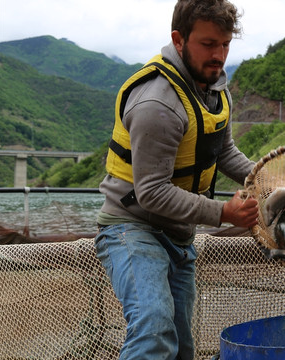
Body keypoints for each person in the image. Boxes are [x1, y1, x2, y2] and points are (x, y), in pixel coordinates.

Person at [94, 0, 258, 358]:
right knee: (154, 329)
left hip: (179, 235)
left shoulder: (213, 87)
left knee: (182, 349)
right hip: (132, 228)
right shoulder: (158, 102)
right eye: (208, 44)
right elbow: (151, 192)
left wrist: (269, 179)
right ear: (179, 40)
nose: (219, 55)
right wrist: (223, 213)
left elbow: (224, 152)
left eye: (225, 44)